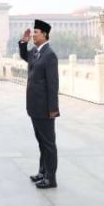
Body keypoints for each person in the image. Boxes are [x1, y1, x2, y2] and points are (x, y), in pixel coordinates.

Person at [19, 19, 60, 189]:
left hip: (45, 109)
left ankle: (51, 178)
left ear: (44, 34)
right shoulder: (36, 52)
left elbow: (53, 84)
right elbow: (24, 55)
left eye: (36, 33)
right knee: (41, 143)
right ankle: (42, 172)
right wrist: (23, 42)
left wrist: (53, 109)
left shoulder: (50, 55)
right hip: (35, 107)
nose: (33, 35)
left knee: (48, 144)